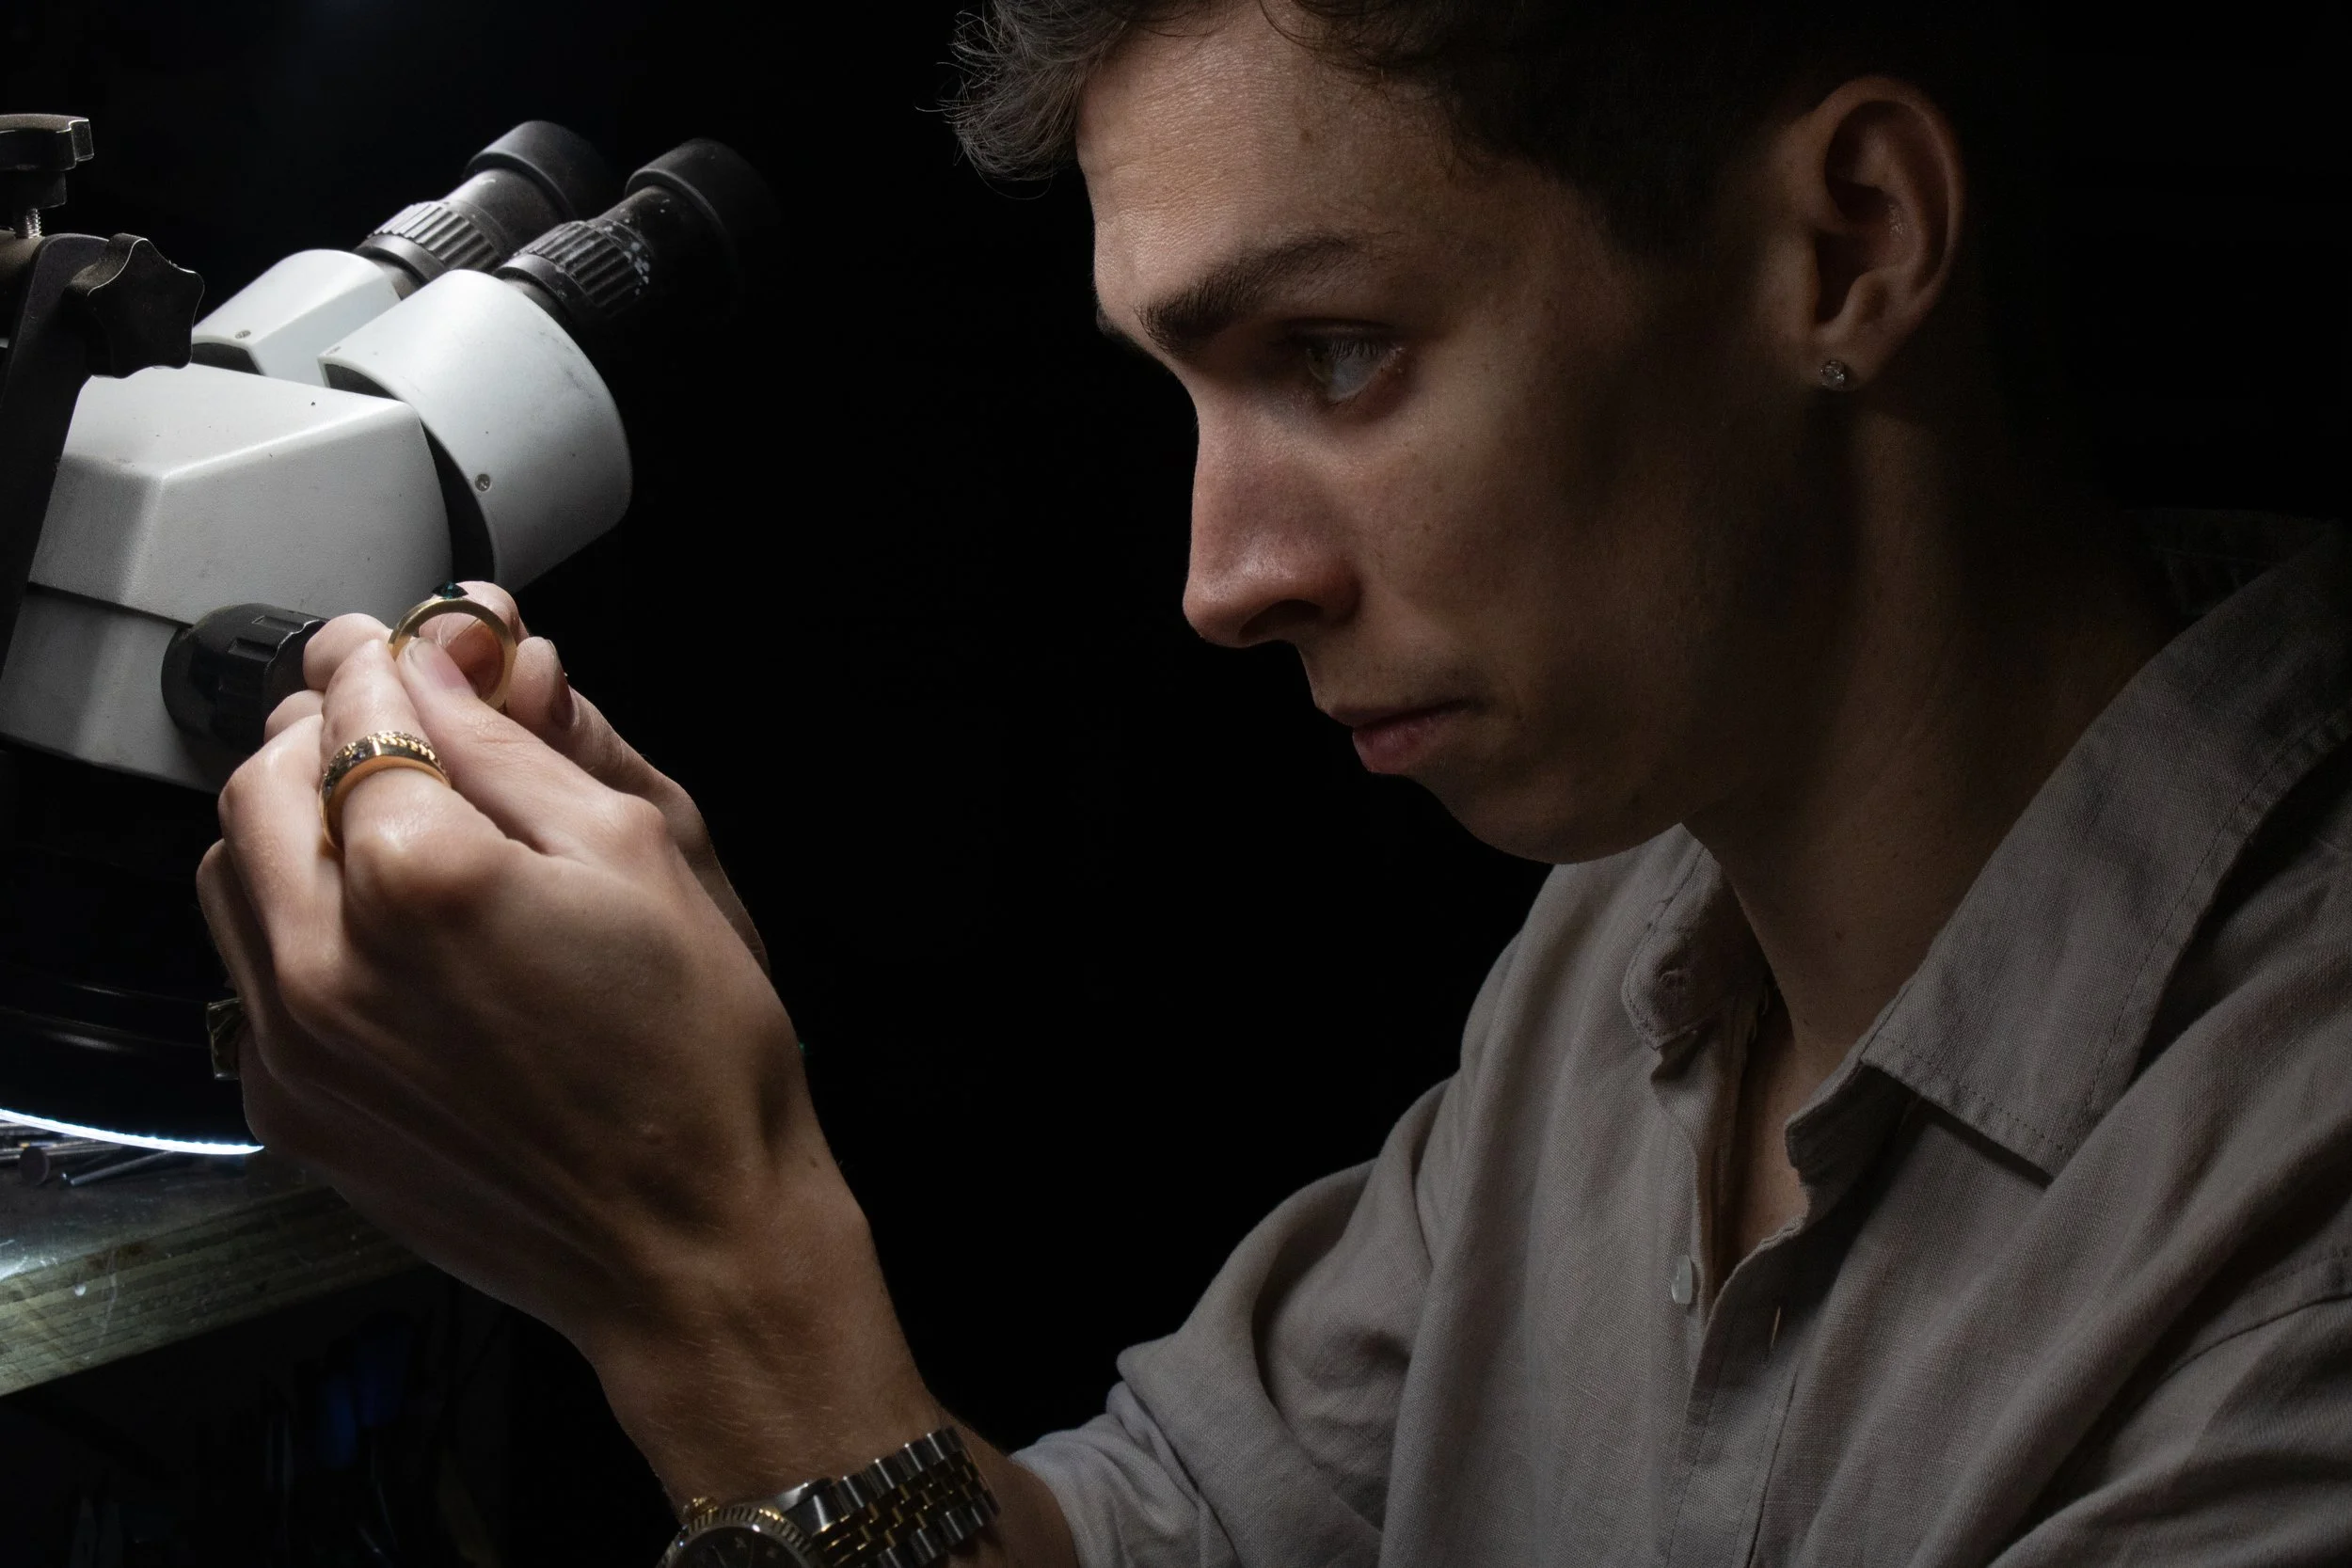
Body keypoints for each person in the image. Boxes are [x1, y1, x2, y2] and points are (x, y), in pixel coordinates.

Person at [200, 0, 2352, 1562]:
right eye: (1187, 395)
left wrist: (722, 1276)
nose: (1223, 582)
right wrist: (617, 1188)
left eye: (1334, 354)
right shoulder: (1633, 952)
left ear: (1848, 243)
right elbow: (1118, 1540)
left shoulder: (2285, 1241)